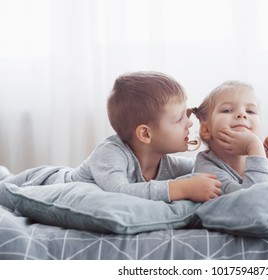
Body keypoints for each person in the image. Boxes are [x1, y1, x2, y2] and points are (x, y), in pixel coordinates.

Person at [2, 71, 222, 203]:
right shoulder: (110, 153)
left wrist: (246, 156)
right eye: (179, 119)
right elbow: (119, 191)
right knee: (5, 187)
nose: (190, 122)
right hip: (45, 181)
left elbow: (202, 169)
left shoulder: (165, 162)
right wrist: (181, 188)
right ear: (145, 134)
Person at [191, 80, 268, 195]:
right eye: (227, 110)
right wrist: (254, 145)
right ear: (206, 130)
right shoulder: (206, 168)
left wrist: (266, 158)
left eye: (250, 111)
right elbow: (251, 199)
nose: (242, 114)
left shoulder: (266, 156)